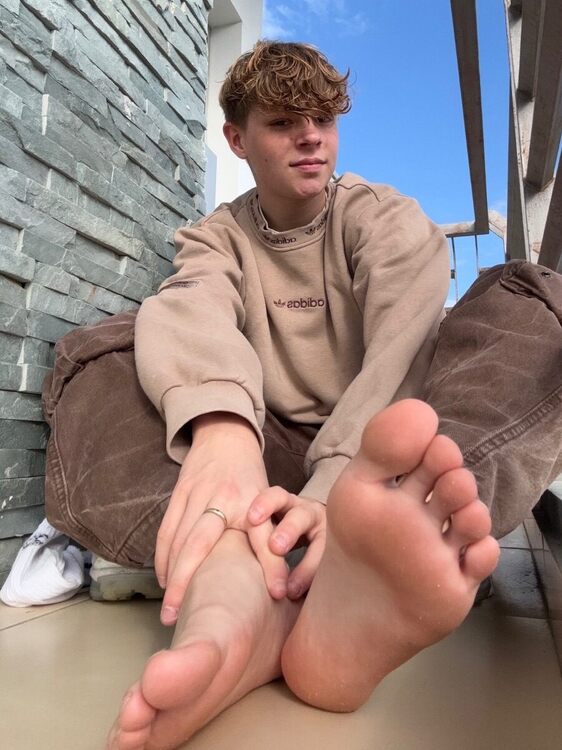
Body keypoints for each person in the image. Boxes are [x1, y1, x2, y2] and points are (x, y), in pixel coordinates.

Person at [40, 41, 561, 750]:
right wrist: (223, 430)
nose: (311, 137)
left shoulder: (382, 217)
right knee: (97, 352)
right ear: (237, 139)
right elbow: (190, 305)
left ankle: (359, 555)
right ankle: (234, 594)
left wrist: (336, 491)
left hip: (386, 469)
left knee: (531, 297)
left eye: (323, 119)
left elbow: (404, 354)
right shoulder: (215, 238)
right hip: (254, 473)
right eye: (284, 122)